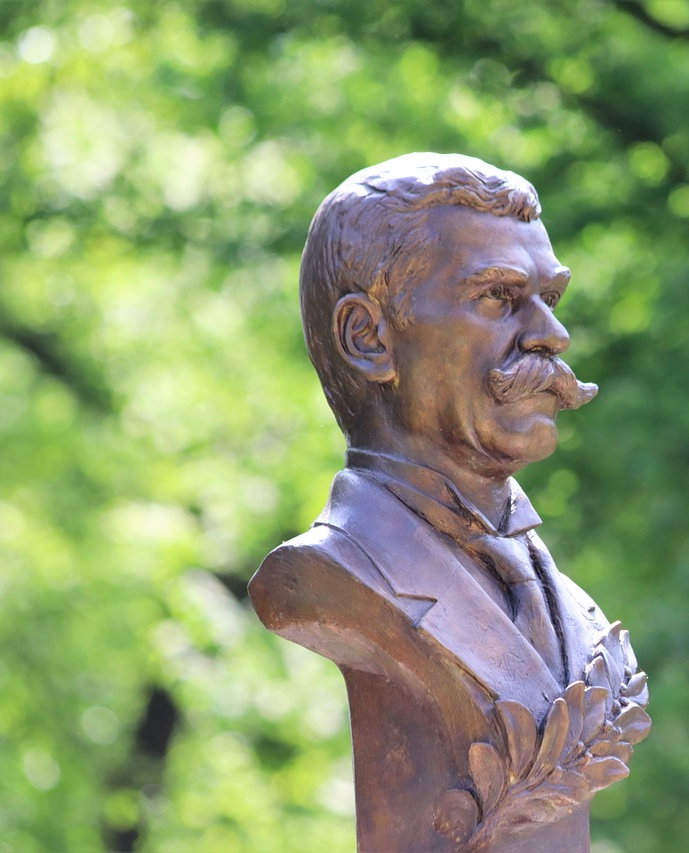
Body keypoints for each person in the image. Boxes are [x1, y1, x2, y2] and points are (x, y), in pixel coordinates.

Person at [249, 153, 649, 852]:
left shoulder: (578, 615)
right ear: (368, 338)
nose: (551, 335)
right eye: (498, 297)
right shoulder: (335, 575)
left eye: (549, 298)